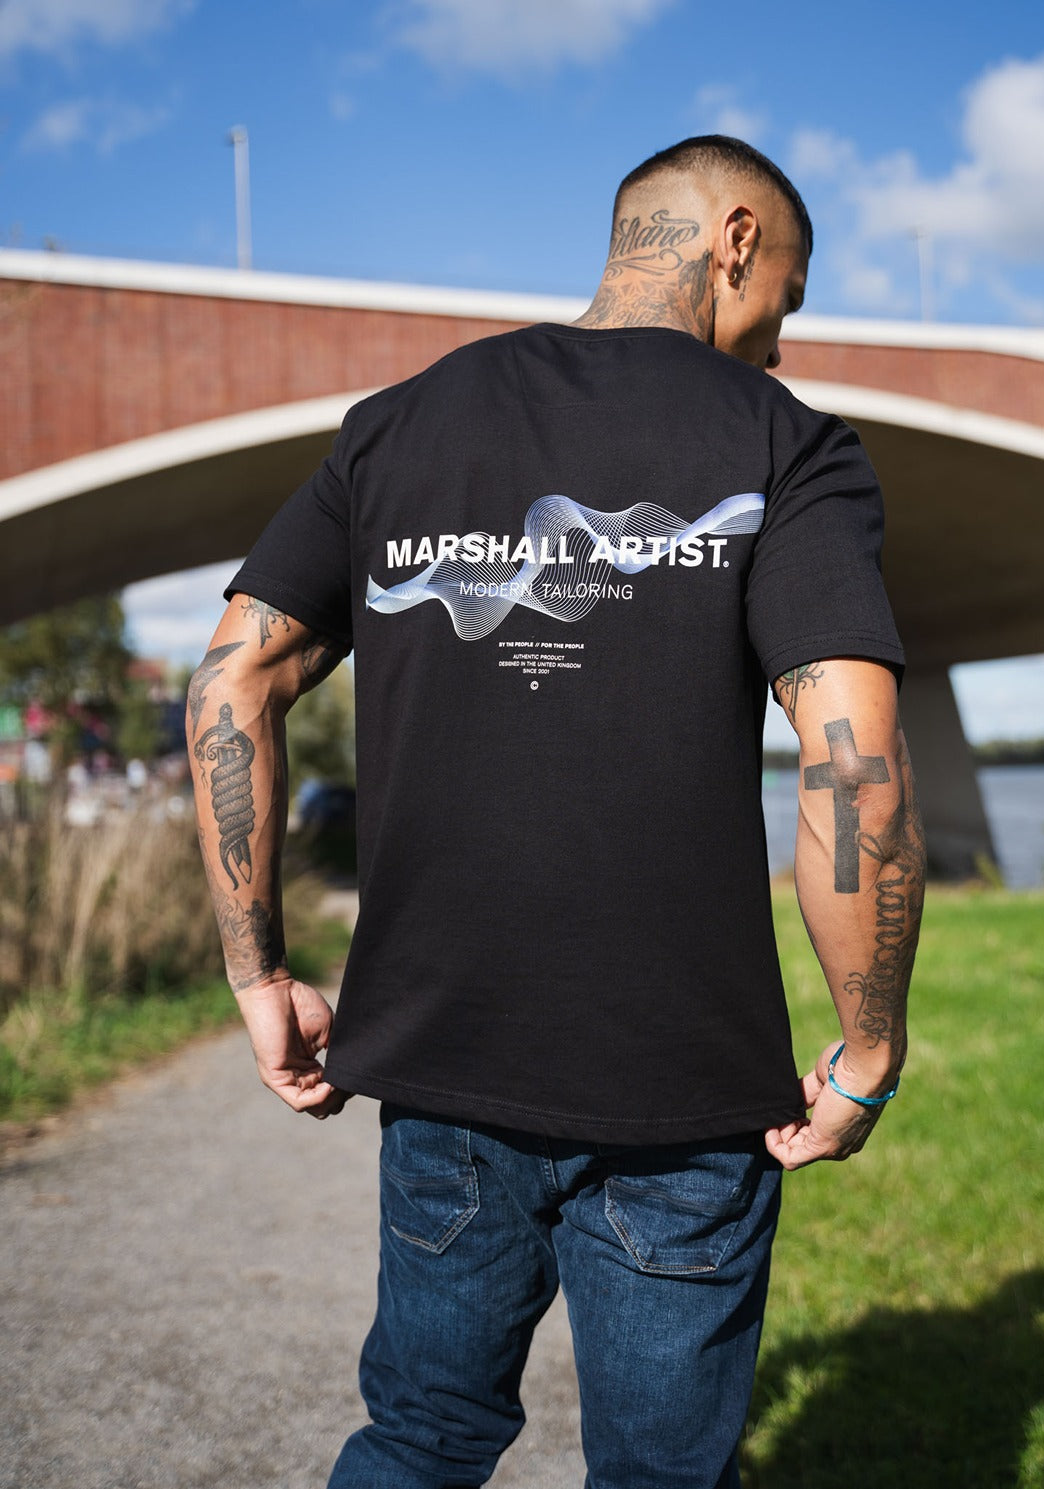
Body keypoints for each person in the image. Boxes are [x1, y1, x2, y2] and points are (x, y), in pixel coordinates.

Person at [187, 135, 925, 1489]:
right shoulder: (785, 441)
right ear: (737, 240)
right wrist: (869, 1049)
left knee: (420, 1439)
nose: (781, 344)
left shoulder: (401, 423)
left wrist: (257, 973)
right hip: (683, 1097)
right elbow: (853, 759)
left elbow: (232, 680)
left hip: (442, 1071)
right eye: (788, 298)